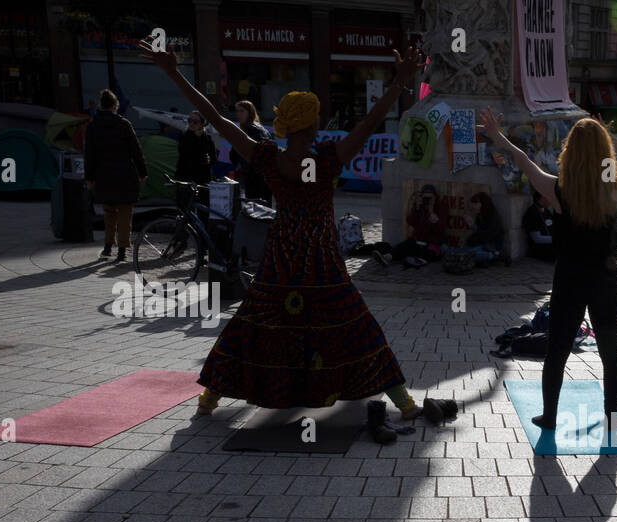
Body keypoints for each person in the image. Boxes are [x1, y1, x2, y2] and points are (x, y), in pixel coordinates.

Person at [141, 37, 435, 439]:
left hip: (281, 255)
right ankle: (405, 403)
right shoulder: (328, 159)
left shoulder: (268, 157)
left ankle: (208, 400)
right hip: (321, 259)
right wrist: (400, 82)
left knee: (255, 322)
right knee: (355, 325)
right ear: (312, 123)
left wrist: (174, 72)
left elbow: (217, 118)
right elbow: (370, 122)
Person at [478, 107, 617, 434]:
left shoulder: (558, 189)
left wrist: (497, 135)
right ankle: (613, 416)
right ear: (604, 153)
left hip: (569, 279)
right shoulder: (614, 189)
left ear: (570, 152)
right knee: (611, 352)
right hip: (605, 280)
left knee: (557, 350)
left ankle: (550, 416)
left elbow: (523, 162)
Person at [83, 88, 148, 263]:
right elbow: (136, 151)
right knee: (125, 214)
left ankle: (107, 246)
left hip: (103, 176)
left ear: (100, 106)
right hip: (125, 175)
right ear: (115, 106)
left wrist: (89, 178)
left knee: (109, 213)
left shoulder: (92, 126)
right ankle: (122, 250)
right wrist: (143, 172)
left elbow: (89, 155)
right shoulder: (124, 124)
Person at [390, 185, 448, 266]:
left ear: (435, 197)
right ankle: (388, 257)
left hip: (432, 243)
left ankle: (416, 260)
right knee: (406, 245)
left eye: (430, 198)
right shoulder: (420, 207)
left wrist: (431, 212)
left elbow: (440, 229)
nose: (427, 201)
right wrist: (416, 209)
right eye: (425, 198)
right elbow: (410, 222)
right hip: (418, 240)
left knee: (430, 253)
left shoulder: (440, 208)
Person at [233, 100, 273, 202]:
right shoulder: (255, 129)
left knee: (255, 209)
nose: (238, 114)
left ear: (249, 112)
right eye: (237, 111)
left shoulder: (252, 129)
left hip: (256, 177)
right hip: (260, 176)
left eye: (242, 111)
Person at [462, 191, 508, 266]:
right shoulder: (480, 216)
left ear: (482, 203)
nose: (473, 206)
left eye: (476, 203)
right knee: (465, 252)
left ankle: (497, 255)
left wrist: (474, 227)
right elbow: (479, 234)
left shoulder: (493, 216)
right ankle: (486, 259)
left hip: (491, 245)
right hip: (483, 244)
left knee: (469, 254)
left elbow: (488, 236)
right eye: (473, 204)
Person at [175, 111, 216, 185]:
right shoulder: (184, 137)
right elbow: (185, 153)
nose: (191, 123)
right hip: (185, 175)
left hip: (202, 177)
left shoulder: (207, 139)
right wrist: (197, 139)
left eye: (195, 122)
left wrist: (209, 160)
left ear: (202, 124)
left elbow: (213, 159)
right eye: (190, 120)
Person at [523, 189, 557, 261]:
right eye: (550, 197)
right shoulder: (532, 212)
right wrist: (557, 240)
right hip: (541, 250)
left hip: (552, 245)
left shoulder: (545, 210)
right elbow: (537, 239)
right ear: (543, 197)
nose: (552, 200)